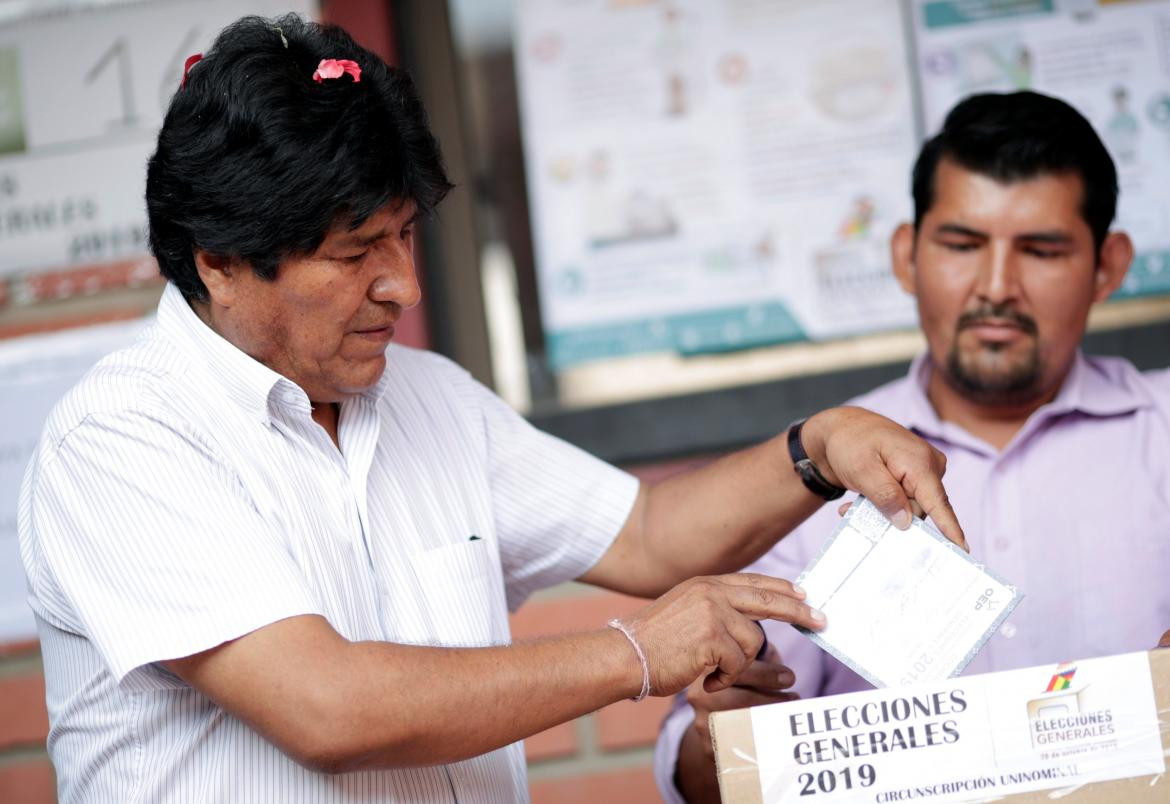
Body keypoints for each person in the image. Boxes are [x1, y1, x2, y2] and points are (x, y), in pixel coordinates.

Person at [16, 15, 965, 803]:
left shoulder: (427, 400)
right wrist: (640, 651)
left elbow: (646, 535)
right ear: (218, 260)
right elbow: (328, 709)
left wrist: (819, 446)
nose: (403, 287)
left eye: (406, 237)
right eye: (355, 254)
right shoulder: (122, 441)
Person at [654, 89, 1170, 802]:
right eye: (962, 245)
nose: (997, 287)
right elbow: (702, 768)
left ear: (1108, 267)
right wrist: (727, 736)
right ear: (906, 256)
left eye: (1042, 250)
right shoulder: (812, 475)